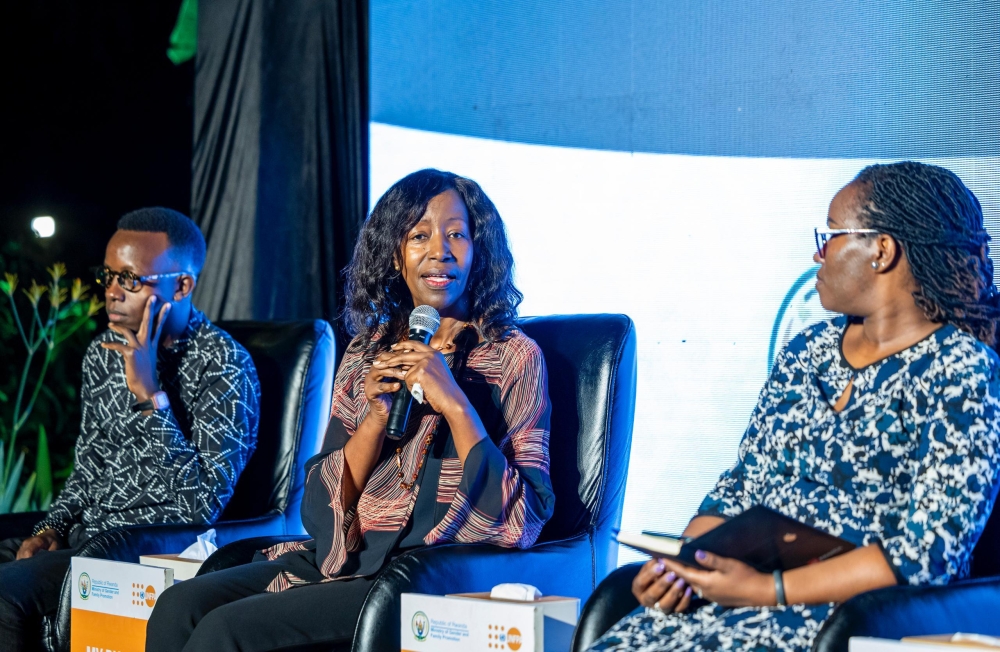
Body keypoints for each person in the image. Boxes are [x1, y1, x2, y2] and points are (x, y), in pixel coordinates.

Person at [589, 162, 1000, 652]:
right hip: (732, 597)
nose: (817, 253)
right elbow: (739, 489)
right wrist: (684, 570)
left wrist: (767, 591)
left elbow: (928, 553)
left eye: (830, 236)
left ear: (882, 251)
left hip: (842, 616)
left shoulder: (961, 369)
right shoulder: (806, 353)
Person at [146, 169, 555, 651]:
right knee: (176, 608)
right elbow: (319, 510)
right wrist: (376, 420)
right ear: (396, 256)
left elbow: (524, 519)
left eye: (457, 234)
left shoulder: (513, 356)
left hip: (424, 576)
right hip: (344, 559)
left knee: (226, 632)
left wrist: (458, 405)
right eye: (418, 235)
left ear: (479, 250)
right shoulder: (367, 352)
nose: (439, 250)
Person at [0, 207, 261, 651]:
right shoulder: (104, 353)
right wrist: (50, 528)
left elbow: (201, 505)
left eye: (132, 280)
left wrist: (149, 395)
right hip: (85, 539)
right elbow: (89, 467)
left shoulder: (225, 366)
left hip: (143, 553)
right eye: (108, 277)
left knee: (5, 596)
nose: (113, 293)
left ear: (182, 286)